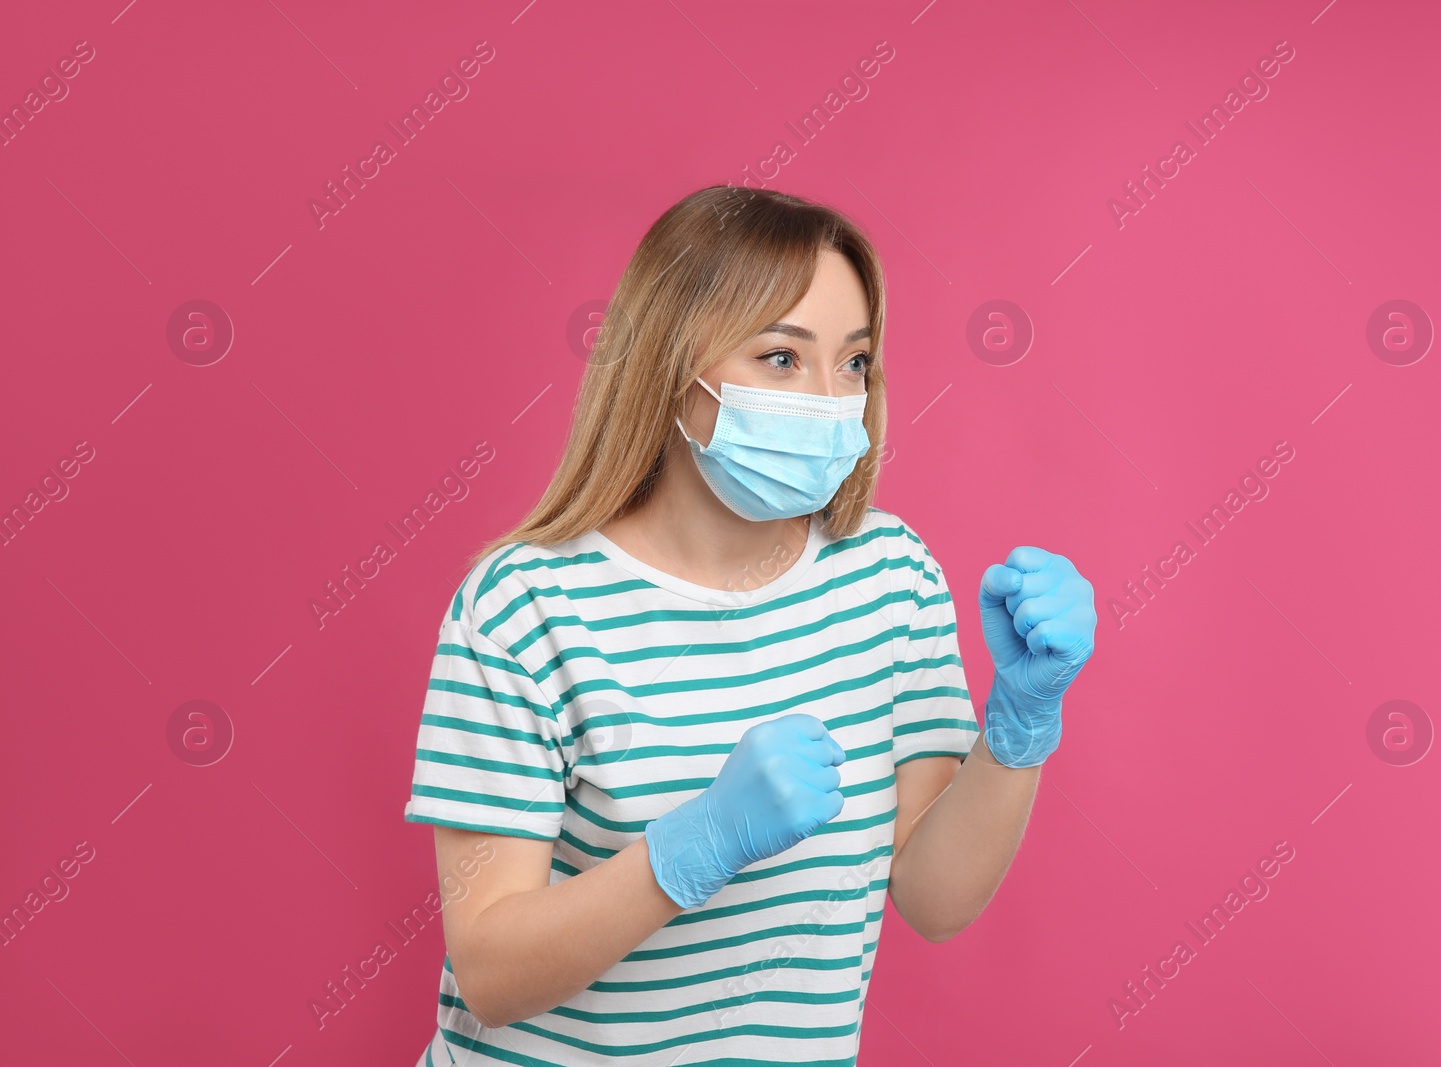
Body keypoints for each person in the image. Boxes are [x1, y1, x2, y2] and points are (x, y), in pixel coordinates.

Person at [402, 184, 1097, 1065]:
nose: (827, 397)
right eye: (780, 357)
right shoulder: (525, 606)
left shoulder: (889, 576)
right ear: (668, 365)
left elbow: (934, 897)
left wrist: (1019, 728)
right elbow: (492, 971)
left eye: (851, 363)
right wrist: (698, 842)